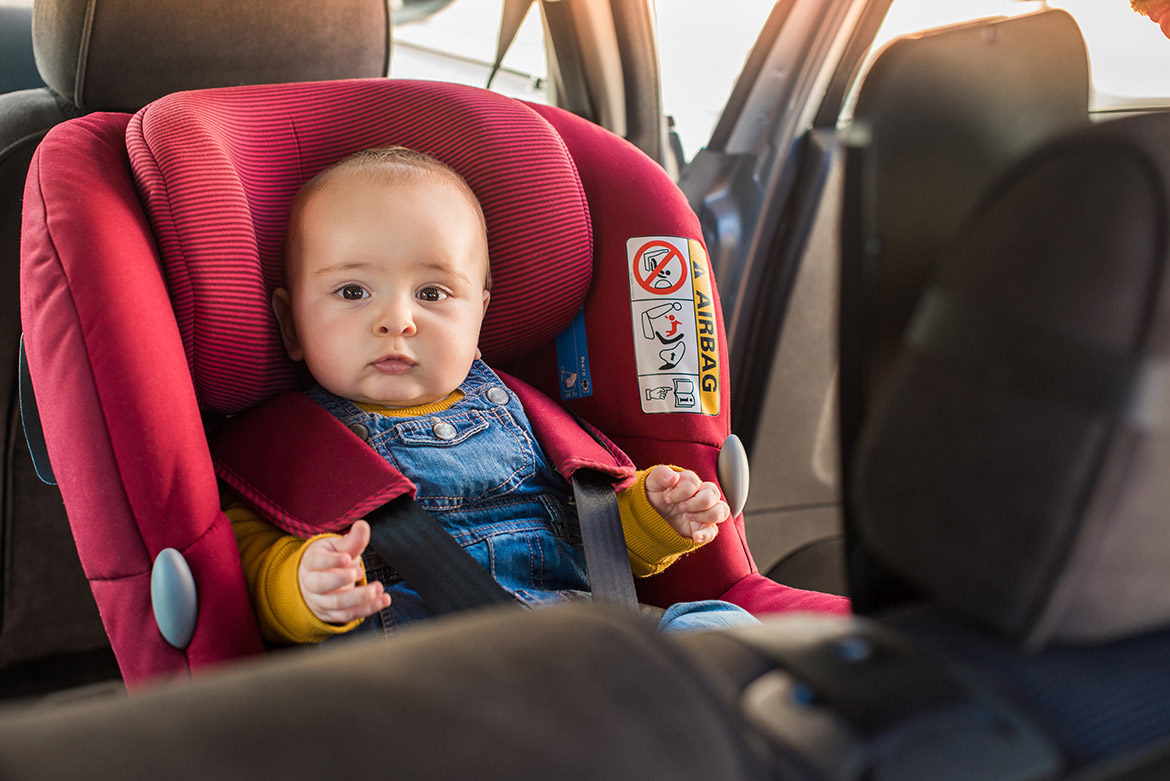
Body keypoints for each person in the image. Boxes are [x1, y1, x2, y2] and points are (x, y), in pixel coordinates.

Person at [227, 146, 757, 643]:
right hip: (434, 670)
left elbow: (594, 537)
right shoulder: (283, 451)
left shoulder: (531, 416)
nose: (396, 321)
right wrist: (303, 587)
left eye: (432, 293)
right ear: (291, 324)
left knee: (722, 628)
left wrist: (654, 515)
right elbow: (246, 566)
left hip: (583, 639)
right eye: (353, 292)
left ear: (478, 319)